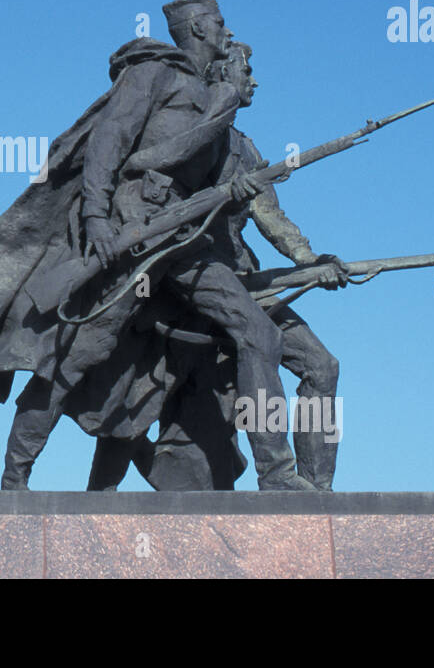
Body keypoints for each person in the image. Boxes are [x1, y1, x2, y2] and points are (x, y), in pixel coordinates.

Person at [0, 0, 316, 490]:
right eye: (220, 23)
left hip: (185, 238)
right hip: (133, 228)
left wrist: (244, 196)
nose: (226, 31)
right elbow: (108, 142)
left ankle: (278, 474)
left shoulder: (217, 104)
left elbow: (219, 185)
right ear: (199, 28)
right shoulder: (155, 74)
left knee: (258, 334)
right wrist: (96, 217)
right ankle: (15, 477)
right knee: (77, 355)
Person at [86, 42, 347, 491]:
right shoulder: (190, 133)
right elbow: (159, 199)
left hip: (243, 277)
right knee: (250, 340)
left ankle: (316, 491)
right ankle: (276, 473)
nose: (255, 80)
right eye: (247, 70)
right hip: (190, 273)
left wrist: (310, 262)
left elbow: (272, 218)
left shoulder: (244, 147)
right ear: (223, 73)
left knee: (323, 367)